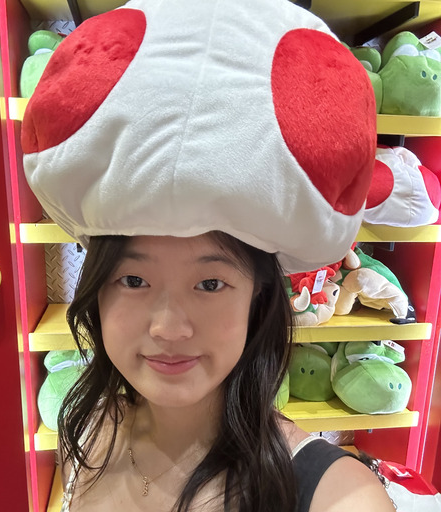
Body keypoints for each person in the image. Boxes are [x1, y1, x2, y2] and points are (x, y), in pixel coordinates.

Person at [21, 0, 397, 510]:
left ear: (258, 296)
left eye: (210, 283)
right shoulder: (87, 431)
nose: (168, 327)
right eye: (133, 280)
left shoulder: (337, 497)